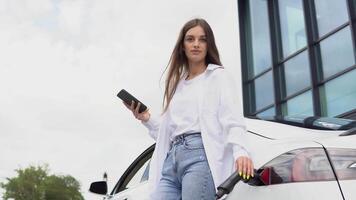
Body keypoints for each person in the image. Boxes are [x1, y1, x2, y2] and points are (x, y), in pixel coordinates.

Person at [123, 18, 254, 200]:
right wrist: (146, 117)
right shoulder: (177, 86)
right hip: (172, 161)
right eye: (190, 39)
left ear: (209, 45)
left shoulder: (218, 77)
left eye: (202, 39)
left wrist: (241, 151)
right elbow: (169, 132)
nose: (196, 44)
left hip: (199, 158)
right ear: (182, 46)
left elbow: (232, 119)